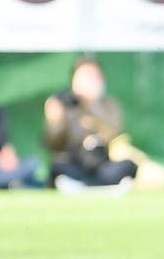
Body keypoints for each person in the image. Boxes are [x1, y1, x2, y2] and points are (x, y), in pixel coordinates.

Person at [44, 56, 138, 189]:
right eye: (83, 77)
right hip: (75, 164)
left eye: (92, 77)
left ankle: (94, 186)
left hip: (102, 165)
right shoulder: (65, 106)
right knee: (58, 166)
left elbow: (115, 134)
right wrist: (55, 122)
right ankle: (88, 186)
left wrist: (91, 114)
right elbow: (52, 144)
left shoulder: (109, 106)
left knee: (127, 165)